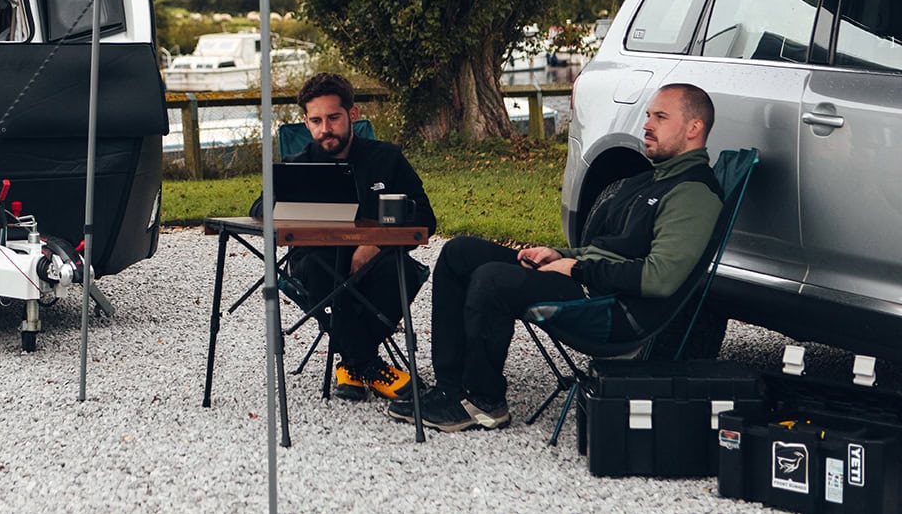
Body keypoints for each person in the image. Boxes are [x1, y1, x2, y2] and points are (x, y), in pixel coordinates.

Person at [388, 83, 723, 431]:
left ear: (693, 128)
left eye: (660, 117)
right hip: (592, 284)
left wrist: (576, 268)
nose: (647, 124)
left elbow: (659, 278)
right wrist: (558, 254)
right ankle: (450, 390)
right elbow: (610, 248)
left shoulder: (692, 194)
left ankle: (483, 400)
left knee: (493, 280)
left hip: (614, 309)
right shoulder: (652, 179)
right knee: (461, 251)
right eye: (649, 115)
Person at [251, 72, 437, 402]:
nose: (326, 129)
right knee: (320, 268)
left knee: (405, 271)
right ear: (306, 122)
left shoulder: (387, 158)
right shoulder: (299, 164)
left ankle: (351, 364)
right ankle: (367, 363)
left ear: (352, 115)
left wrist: (375, 243)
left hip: (376, 260)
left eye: (334, 118)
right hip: (316, 265)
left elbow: (425, 218)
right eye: (316, 120)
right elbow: (259, 207)